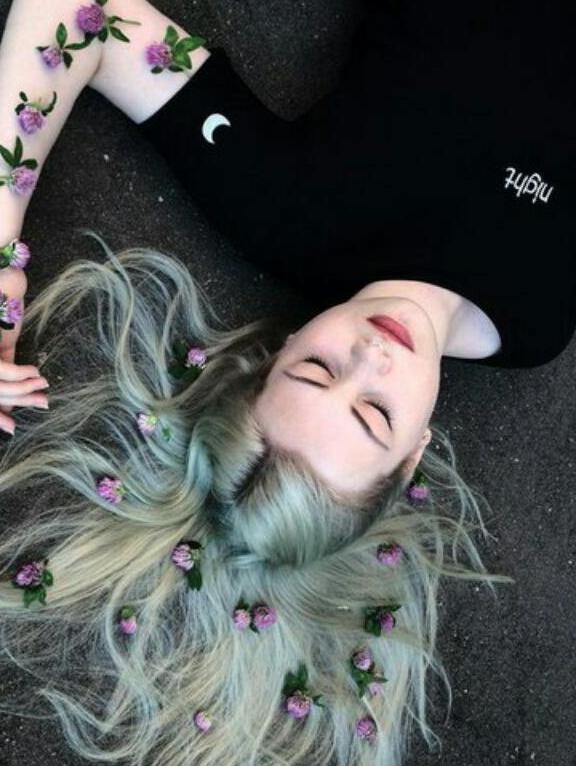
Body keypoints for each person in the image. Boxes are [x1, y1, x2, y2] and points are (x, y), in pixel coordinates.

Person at [5, 0, 569, 763]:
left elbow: (81, 14)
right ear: (412, 457)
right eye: (374, 414)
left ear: (281, 350)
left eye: (317, 369)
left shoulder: (284, 213)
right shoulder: (537, 324)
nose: (372, 356)